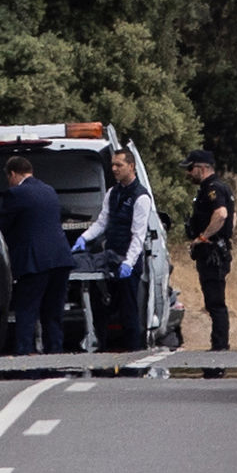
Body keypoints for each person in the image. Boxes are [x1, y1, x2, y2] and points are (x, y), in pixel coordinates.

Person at [0, 156, 76, 355]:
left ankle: (25, 353)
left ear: (12, 173)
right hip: (60, 259)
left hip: (35, 262)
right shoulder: (49, 190)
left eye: (8, 177)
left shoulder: (15, 194)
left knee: (27, 310)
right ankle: (55, 352)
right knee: (53, 312)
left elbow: (1, 227)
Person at [71, 148, 150, 351]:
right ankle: (103, 349)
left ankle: (133, 353)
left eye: (119, 165)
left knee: (128, 310)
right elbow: (102, 222)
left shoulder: (140, 197)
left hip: (128, 261)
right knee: (102, 305)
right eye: (113, 165)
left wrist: (129, 262)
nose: (114, 169)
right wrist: (84, 237)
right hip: (111, 257)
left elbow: (138, 235)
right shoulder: (113, 193)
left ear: (131, 167)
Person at [181, 148, 235, 351]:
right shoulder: (221, 187)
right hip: (216, 251)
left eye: (190, 168)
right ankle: (219, 343)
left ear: (202, 168)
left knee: (216, 303)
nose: (188, 173)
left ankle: (220, 346)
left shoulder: (212, 188)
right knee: (213, 300)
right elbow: (233, 216)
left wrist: (204, 237)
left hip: (212, 254)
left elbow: (221, 214)